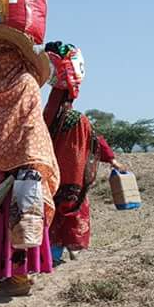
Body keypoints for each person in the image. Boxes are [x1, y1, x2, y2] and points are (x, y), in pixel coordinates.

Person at [0, 22, 59, 297]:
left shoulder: (27, 84)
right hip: (5, 165)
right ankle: (9, 276)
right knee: (9, 219)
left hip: (22, 166)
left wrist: (28, 162)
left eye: (6, 51)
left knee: (22, 216)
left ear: (19, 54)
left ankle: (21, 279)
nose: (1, 58)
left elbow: (30, 125)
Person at [42, 42, 125, 265]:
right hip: (73, 177)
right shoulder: (79, 119)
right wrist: (112, 160)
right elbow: (96, 141)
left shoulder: (45, 119)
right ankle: (71, 248)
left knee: (52, 210)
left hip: (50, 175)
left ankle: (54, 252)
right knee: (74, 208)